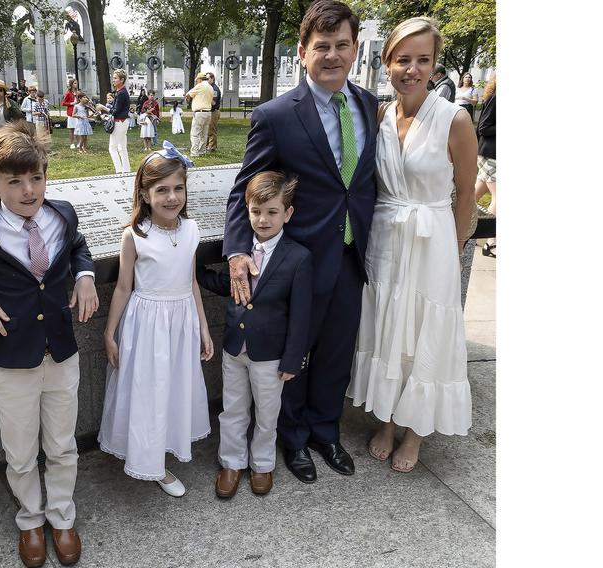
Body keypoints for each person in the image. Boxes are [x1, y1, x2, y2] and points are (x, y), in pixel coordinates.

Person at [224, 0, 378, 485]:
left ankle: (325, 431)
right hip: (301, 262)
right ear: (302, 52)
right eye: (322, 47)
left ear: (354, 49)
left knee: (335, 351)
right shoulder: (275, 116)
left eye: (341, 46)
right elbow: (242, 187)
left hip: (352, 254)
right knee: (295, 356)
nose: (332, 56)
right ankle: (292, 440)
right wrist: (235, 252)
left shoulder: (369, 105)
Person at [0, 121, 99, 568]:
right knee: (21, 450)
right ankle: (30, 520)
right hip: (11, 358)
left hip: (61, 353)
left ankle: (62, 516)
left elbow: (78, 247)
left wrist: (84, 276)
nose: (29, 190)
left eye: (37, 178)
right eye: (15, 182)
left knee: (63, 444)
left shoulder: (62, 212)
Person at [347, 16, 477, 473]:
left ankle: (415, 431)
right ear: (387, 64)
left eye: (424, 60)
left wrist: (454, 248)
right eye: (403, 59)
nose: (412, 69)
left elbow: (466, 190)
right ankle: (386, 419)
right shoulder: (381, 117)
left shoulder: (455, 119)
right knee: (387, 325)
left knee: (424, 329)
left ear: (435, 65)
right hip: (385, 238)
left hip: (432, 242)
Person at [98, 142, 213, 497]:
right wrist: (109, 332)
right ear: (145, 195)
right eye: (161, 190)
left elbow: (192, 281)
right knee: (149, 391)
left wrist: (204, 328)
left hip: (181, 324)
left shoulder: (191, 229)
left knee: (174, 387)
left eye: (178, 188)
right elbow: (122, 287)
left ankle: (165, 448)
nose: (171, 197)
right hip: (147, 326)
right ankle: (151, 463)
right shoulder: (135, 236)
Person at [196, 171, 313, 498]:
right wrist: (195, 272)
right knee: (233, 408)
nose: (263, 219)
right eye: (256, 211)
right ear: (247, 211)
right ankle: (231, 463)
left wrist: (293, 358)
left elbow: (301, 315)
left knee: (266, 413)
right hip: (235, 348)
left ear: (287, 214)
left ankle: (262, 464)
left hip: (271, 355)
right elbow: (229, 286)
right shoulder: (239, 251)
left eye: (272, 212)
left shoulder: (299, 258)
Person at [475, 75, 496, 257]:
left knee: (476, 192)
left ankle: (453, 221)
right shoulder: (497, 97)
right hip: (490, 153)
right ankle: (490, 243)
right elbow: (483, 127)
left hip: (492, 153)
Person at [184, 73, 214, 157]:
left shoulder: (200, 86)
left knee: (195, 133)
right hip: (208, 112)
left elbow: (188, 94)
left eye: (197, 80)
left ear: (200, 79)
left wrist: (188, 100)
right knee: (204, 134)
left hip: (199, 112)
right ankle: (202, 151)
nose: (196, 82)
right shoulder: (210, 87)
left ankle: (194, 152)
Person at [108, 69, 131, 173]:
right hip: (123, 122)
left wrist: (104, 108)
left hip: (119, 122)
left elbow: (115, 111)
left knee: (112, 148)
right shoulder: (120, 92)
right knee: (122, 148)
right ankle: (126, 170)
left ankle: (118, 171)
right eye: (113, 78)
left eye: (115, 78)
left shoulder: (121, 93)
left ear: (121, 80)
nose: (113, 80)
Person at [206, 72, 223, 152]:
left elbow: (213, 102)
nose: (206, 80)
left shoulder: (214, 89)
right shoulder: (209, 88)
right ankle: (207, 145)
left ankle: (212, 147)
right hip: (209, 111)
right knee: (207, 129)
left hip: (213, 111)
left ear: (212, 79)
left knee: (212, 129)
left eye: (208, 78)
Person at [62, 79, 79, 149]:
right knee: (72, 129)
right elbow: (63, 103)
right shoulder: (68, 93)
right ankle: (72, 143)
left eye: (76, 83)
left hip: (77, 112)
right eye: (75, 83)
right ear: (71, 84)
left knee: (78, 128)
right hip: (71, 113)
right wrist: (71, 103)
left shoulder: (77, 92)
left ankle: (79, 143)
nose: (76, 84)